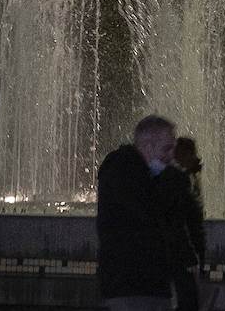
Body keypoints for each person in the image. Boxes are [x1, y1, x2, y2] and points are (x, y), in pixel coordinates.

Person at [97, 115, 177, 310]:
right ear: (148, 146)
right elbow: (154, 215)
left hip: (148, 286)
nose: (171, 156)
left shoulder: (142, 174)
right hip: (131, 287)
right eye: (167, 148)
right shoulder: (123, 170)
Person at [156, 137, 206, 311]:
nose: (195, 157)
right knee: (188, 301)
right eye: (192, 153)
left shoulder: (183, 177)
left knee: (185, 300)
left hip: (175, 252)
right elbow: (179, 222)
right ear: (182, 155)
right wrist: (190, 255)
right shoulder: (176, 180)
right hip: (177, 254)